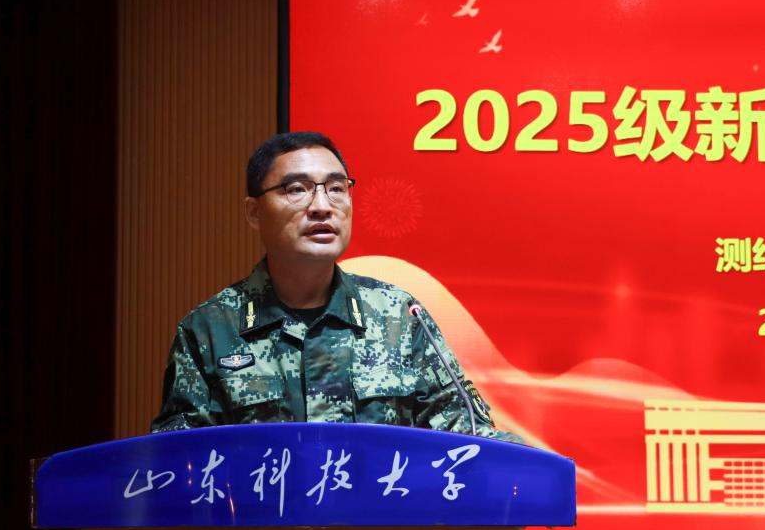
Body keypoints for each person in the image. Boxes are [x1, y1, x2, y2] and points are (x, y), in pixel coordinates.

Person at [150, 131, 518, 442]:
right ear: (254, 212)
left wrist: (536, 467)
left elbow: (467, 434)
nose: (322, 206)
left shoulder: (399, 315)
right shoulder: (210, 329)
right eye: (297, 189)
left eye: (337, 188)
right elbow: (181, 464)